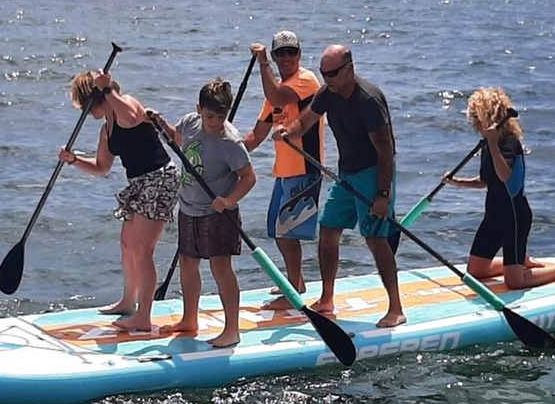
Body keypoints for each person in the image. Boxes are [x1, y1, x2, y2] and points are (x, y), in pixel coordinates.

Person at [273, 45, 406, 328]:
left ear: (349, 68)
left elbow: (386, 152)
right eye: (324, 73)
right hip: (347, 173)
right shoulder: (328, 94)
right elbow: (306, 121)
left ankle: (396, 307)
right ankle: (327, 299)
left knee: (375, 238)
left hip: (374, 175)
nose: (328, 79)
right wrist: (289, 130)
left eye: (332, 73)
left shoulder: (369, 100)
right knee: (329, 228)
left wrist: (383, 194)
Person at [58, 70, 180, 333]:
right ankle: (128, 302)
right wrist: (74, 160)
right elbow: (102, 167)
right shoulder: (107, 129)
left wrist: (107, 90)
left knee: (143, 249)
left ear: (94, 99)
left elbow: (133, 116)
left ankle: (144, 317)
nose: (86, 112)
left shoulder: (128, 104)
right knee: (127, 243)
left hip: (160, 178)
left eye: (85, 106)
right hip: (139, 183)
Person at [153, 78, 256, 348]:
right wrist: (161, 124)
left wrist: (229, 200)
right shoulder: (189, 122)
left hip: (218, 212)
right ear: (199, 109)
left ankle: (232, 329)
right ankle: (189, 319)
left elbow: (248, 177)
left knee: (220, 267)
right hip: (188, 206)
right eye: (210, 116)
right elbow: (178, 139)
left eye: (220, 116)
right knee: (188, 263)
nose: (215, 122)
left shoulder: (230, 142)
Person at [441, 87, 555, 288]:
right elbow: (485, 181)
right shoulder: (487, 144)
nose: (473, 121)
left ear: (488, 116)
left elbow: (505, 175)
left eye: (476, 116)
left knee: (514, 282)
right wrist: (456, 182)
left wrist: (492, 144)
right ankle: (519, 262)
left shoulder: (509, 142)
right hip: (493, 215)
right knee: (475, 271)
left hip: (514, 217)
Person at [242, 30, 325, 311]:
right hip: (284, 171)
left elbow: (278, 96)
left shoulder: (305, 80)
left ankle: (292, 293)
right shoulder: (272, 94)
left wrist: (262, 63)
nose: (287, 58)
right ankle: (297, 282)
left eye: (292, 52)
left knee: (288, 233)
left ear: (300, 55)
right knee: (278, 232)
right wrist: (224, 151)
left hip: (305, 168)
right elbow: (255, 137)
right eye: (281, 53)